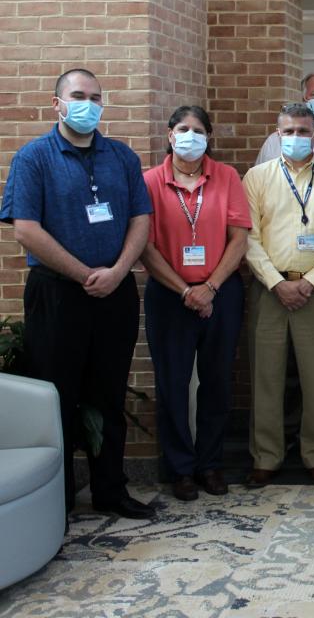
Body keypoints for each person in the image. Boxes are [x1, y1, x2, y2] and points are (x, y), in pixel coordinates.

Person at [0, 68, 154, 519]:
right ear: (58, 104)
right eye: (79, 95)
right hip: (58, 294)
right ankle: (59, 499)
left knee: (109, 394)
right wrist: (86, 273)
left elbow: (140, 220)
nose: (88, 104)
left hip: (116, 292)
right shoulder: (34, 158)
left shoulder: (121, 157)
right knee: (58, 395)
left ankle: (111, 490)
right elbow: (26, 230)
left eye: (96, 97)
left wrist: (118, 271)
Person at [141, 106, 251, 501]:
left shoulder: (226, 177)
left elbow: (238, 237)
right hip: (169, 296)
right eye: (183, 129)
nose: (190, 135)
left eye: (198, 130)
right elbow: (146, 246)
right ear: (170, 135)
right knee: (172, 383)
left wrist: (211, 287)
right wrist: (186, 291)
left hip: (221, 292)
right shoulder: (150, 181)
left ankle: (210, 464)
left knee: (217, 382)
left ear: (209, 136)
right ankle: (180, 468)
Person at [243, 103, 314, 488]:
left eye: (304, 131)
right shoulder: (257, 177)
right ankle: (265, 457)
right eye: (289, 132)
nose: (296, 138)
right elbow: (247, 237)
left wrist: (312, 281)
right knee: (265, 377)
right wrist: (276, 282)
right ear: (277, 134)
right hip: (270, 290)